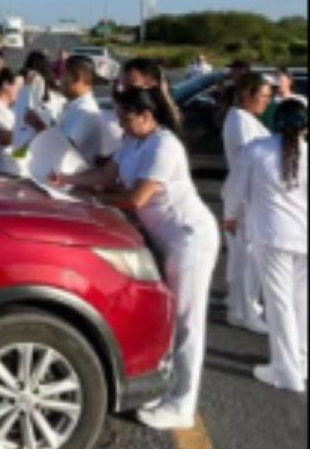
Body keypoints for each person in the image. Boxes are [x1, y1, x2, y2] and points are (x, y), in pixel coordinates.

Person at [53, 87, 220, 430]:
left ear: (147, 116)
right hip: (162, 237)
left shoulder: (165, 145)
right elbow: (105, 176)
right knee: (168, 316)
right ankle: (166, 391)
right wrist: (67, 180)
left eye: (127, 117)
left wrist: (94, 200)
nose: (121, 124)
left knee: (188, 322)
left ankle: (183, 404)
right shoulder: (133, 140)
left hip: (188, 238)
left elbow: (137, 197)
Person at [223, 99, 308, 393]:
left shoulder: (257, 150)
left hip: (271, 236)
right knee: (301, 300)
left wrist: (230, 216)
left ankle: (287, 371)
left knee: (280, 303)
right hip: (303, 236)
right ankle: (301, 359)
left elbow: (234, 189)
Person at [222, 72, 273, 334]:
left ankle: (239, 305)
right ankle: (245, 311)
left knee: (244, 255)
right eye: (262, 95)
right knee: (249, 257)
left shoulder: (243, 118)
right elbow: (249, 164)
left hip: (247, 196)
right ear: (246, 95)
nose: (266, 101)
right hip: (246, 197)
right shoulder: (241, 122)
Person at [12, 50, 66, 157]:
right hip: (47, 152)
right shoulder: (59, 97)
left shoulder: (27, 90)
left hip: (25, 150)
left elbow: (29, 116)